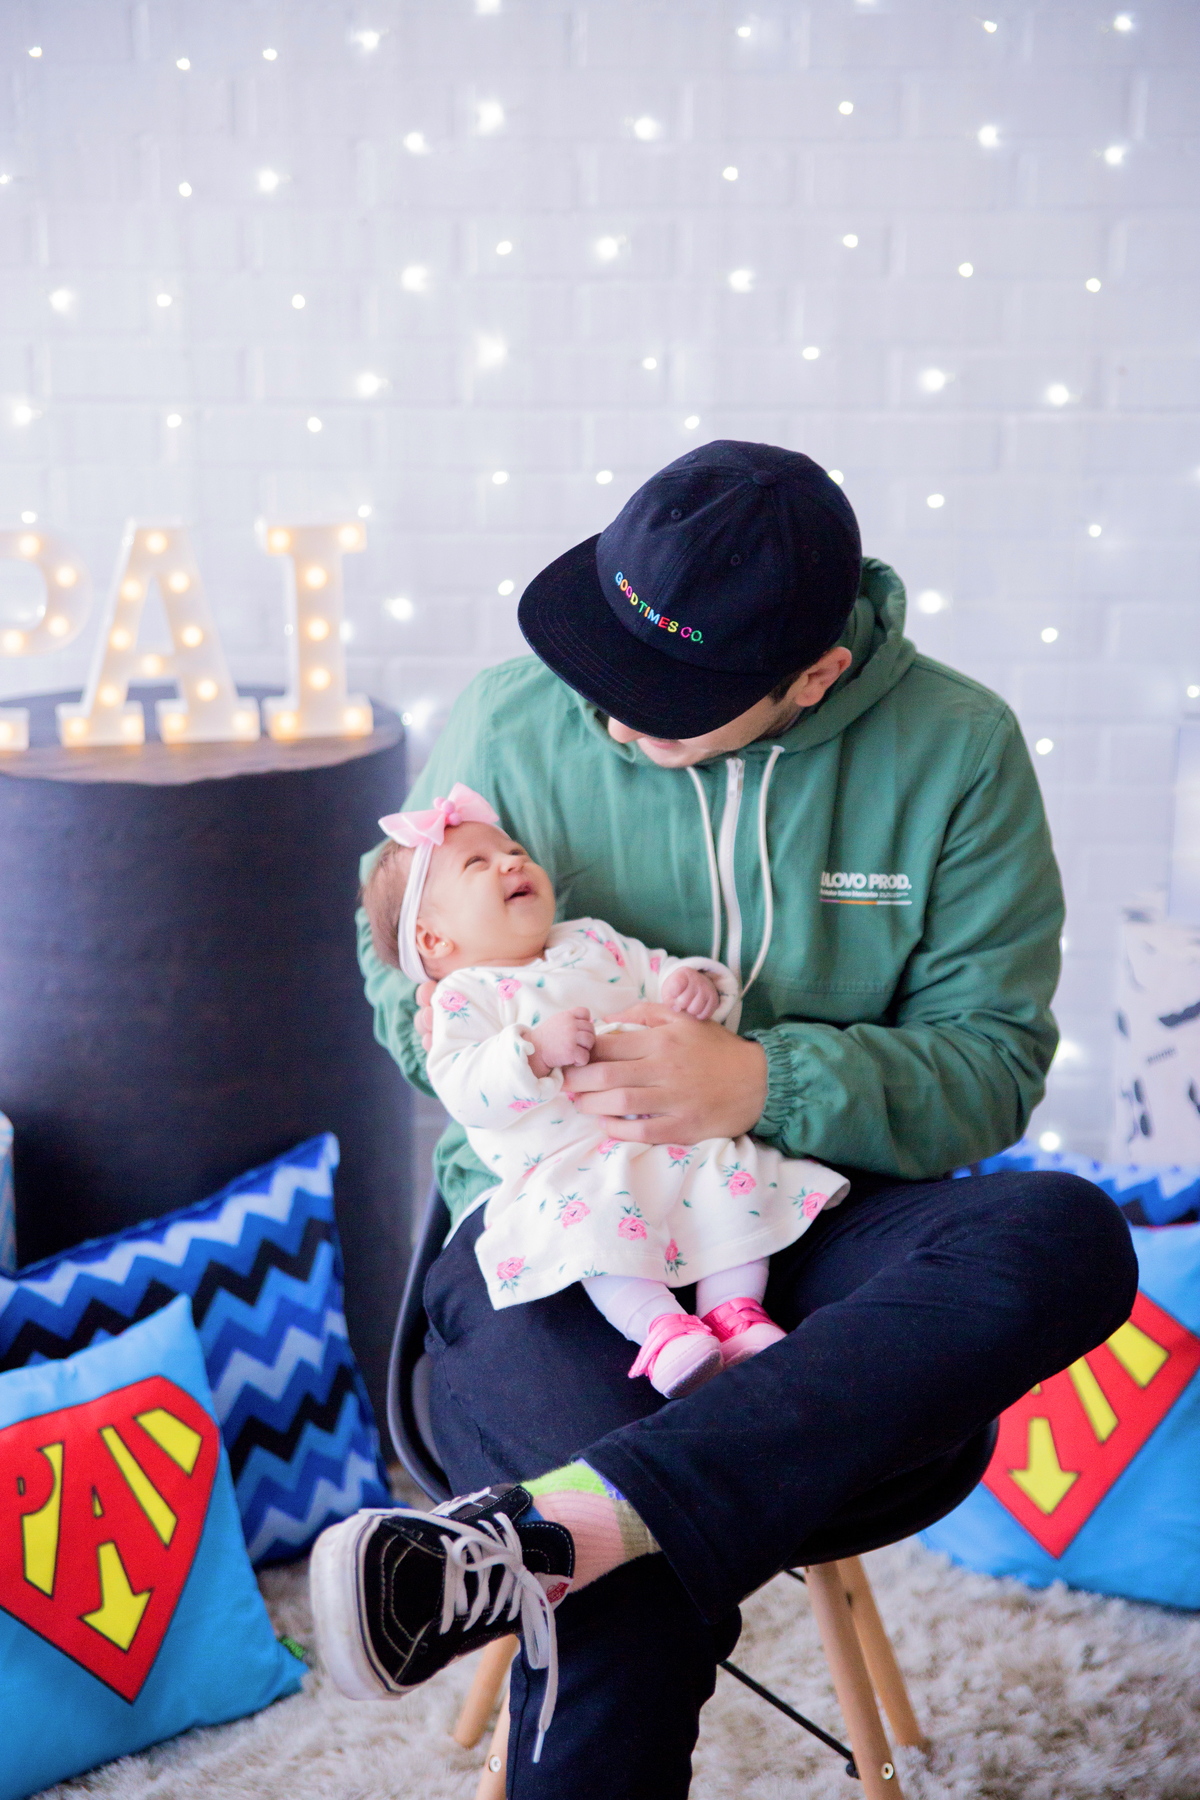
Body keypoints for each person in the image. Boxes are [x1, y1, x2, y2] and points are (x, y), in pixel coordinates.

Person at [312, 441, 1137, 1796]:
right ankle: (607, 1518)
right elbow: (404, 959)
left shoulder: (959, 753)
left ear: (810, 675)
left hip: (813, 1216)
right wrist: (525, 1084)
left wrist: (760, 1083)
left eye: (669, 707)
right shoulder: (513, 721)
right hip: (556, 1232)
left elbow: (989, 1067)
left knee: (1066, 1233)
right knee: (622, 1582)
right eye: (607, 669)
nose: (616, 720)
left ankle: (575, 1521)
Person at [360, 786, 848, 1397]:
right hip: (566, 1167)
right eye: (478, 865)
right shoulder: (465, 998)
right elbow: (463, 1090)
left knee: (733, 1179)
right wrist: (531, 1051)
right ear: (434, 940)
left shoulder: (590, 940)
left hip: (669, 1131)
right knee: (590, 1234)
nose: (512, 862)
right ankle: (663, 1331)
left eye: (513, 850)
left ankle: (736, 1314)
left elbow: (656, 968)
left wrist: (691, 984)